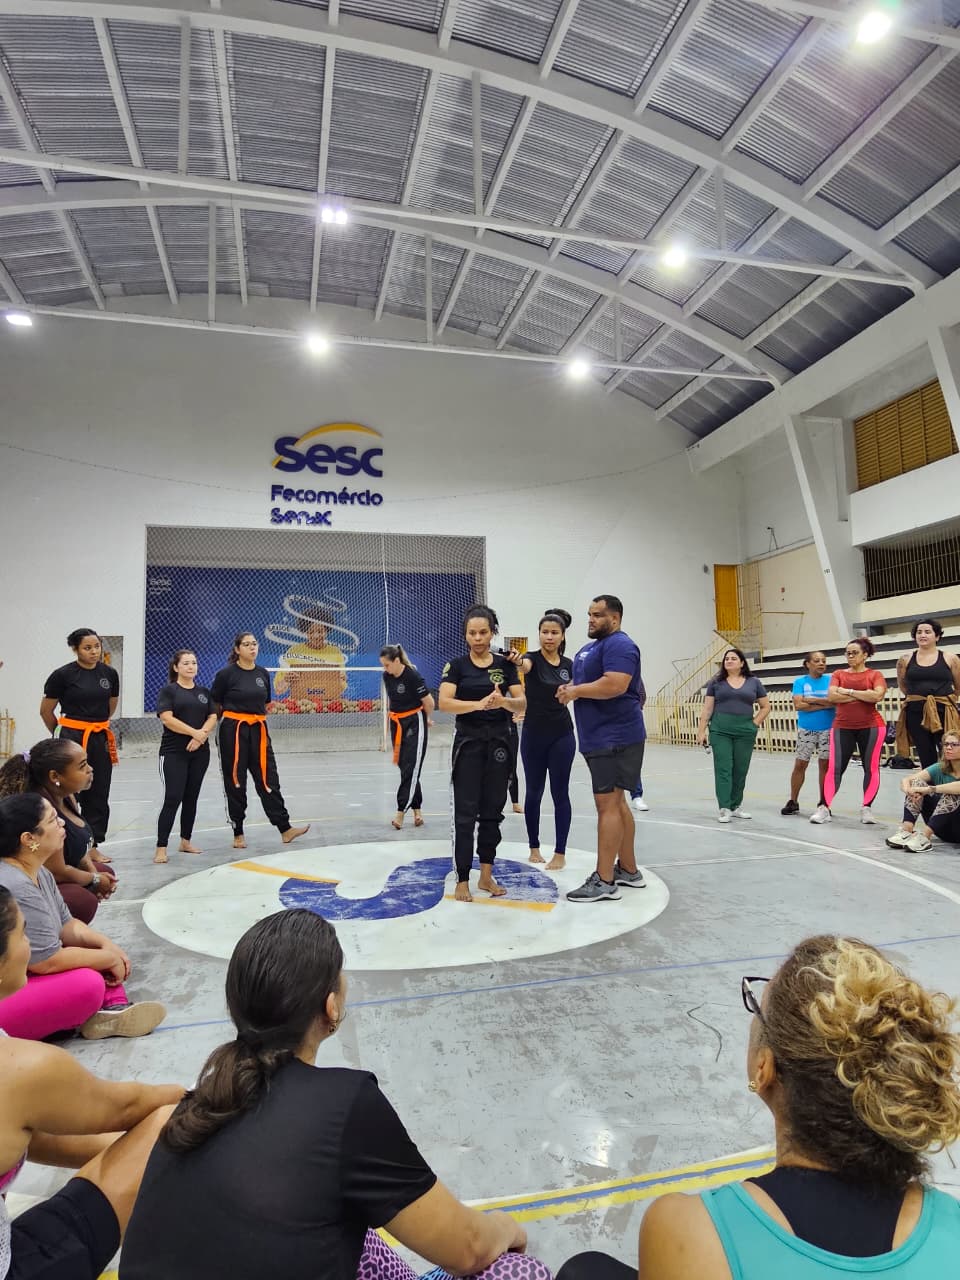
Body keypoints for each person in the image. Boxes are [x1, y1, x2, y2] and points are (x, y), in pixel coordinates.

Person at [119, 909, 549, 1280]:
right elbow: (468, 1249)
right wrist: (507, 1229)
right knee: (519, 1271)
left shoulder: (200, 1103)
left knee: (357, 1231)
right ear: (331, 1007)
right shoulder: (347, 1103)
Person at [558, 935, 960, 1280]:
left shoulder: (690, 1227)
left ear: (763, 1069)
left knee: (584, 1270)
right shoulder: (950, 1223)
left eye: (757, 1006)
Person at [0, 885, 183, 1280]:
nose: (29, 944)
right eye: (23, 933)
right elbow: (128, 1106)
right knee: (168, 1122)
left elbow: (26, 1137)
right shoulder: (22, 1066)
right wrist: (198, 1098)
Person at [0, 795, 165, 1041]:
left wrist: (105, 945)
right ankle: (99, 1009)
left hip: (23, 973)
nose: (61, 824)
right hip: (10, 985)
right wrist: (107, 958)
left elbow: (67, 924)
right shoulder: (15, 883)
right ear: (29, 839)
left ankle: (110, 1008)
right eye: (53, 820)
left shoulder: (39, 871)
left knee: (90, 953)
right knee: (88, 982)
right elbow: (45, 962)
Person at [557, 595, 647, 903]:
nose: (591, 619)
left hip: (616, 737)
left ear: (615, 618)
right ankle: (629, 870)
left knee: (607, 805)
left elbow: (616, 684)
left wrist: (576, 691)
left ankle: (605, 879)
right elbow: (586, 683)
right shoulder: (590, 648)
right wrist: (570, 688)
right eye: (589, 614)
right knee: (617, 804)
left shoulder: (621, 645)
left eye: (597, 615)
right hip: (599, 737)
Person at [438, 606, 525, 902]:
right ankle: (462, 878)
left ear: (492, 633)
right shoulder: (456, 666)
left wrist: (503, 702)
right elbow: (445, 702)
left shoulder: (505, 665)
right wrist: (477, 705)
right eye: (472, 633)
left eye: (483, 632)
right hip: (468, 745)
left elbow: (522, 702)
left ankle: (486, 875)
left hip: (500, 744)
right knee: (465, 815)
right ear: (465, 635)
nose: (478, 638)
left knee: (492, 813)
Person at [210, 632, 310, 851]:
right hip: (233, 731)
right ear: (237, 649)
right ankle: (238, 831)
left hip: (259, 730)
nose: (252, 648)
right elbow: (215, 703)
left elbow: (264, 703)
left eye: (254, 644)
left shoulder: (262, 673)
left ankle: (285, 828)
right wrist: (226, 724)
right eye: (246, 644)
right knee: (236, 780)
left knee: (268, 778)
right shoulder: (226, 674)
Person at [0, 740, 117, 925]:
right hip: (37, 879)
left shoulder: (66, 795)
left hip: (56, 872)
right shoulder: (42, 810)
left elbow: (81, 844)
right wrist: (94, 880)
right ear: (55, 776)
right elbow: (58, 872)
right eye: (82, 766)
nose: (90, 769)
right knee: (82, 900)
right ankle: (51, 931)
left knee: (104, 872)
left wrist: (94, 874)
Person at [40, 628, 119, 852]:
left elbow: (110, 707)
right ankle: (67, 845)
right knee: (69, 791)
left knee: (99, 790)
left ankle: (94, 845)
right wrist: (62, 735)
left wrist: (96, 725)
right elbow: (46, 711)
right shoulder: (62, 675)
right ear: (75, 649)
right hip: (71, 737)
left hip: (99, 736)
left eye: (97, 646)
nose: (94, 652)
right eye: (87, 648)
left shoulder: (109, 674)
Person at [509, 610, 576, 871]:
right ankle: (534, 847)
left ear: (562, 636)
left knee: (560, 793)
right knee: (534, 791)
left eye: (554, 632)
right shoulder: (531, 659)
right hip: (534, 735)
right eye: (545, 632)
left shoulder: (569, 665)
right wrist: (517, 660)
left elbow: (576, 690)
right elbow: (522, 665)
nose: (549, 637)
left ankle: (560, 852)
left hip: (562, 735)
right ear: (539, 634)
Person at [154, 649, 218, 865]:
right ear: (176, 667)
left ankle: (185, 841)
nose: (191, 666)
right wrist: (194, 733)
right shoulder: (169, 691)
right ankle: (161, 847)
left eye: (194, 663)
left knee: (191, 798)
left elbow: (212, 716)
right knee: (173, 797)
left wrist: (201, 737)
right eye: (186, 663)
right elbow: (167, 719)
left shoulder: (203, 692)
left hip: (200, 753)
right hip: (174, 753)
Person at [696, 648, 770, 823]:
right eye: (726, 658)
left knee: (740, 769)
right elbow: (707, 709)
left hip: (745, 731)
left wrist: (754, 724)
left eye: (733, 658)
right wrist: (701, 730)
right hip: (720, 730)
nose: (729, 661)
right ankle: (724, 807)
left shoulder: (754, 682)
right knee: (724, 768)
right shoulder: (716, 682)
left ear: (742, 663)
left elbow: (766, 706)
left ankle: (736, 805)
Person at [825, 637, 887, 824]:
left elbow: (877, 696)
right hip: (842, 726)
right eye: (848, 653)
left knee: (871, 768)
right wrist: (863, 695)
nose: (850, 656)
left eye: (855, 653)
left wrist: (848, 691)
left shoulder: (875, 675)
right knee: (835, 768)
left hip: (872, 726)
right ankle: (824, 807)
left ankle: (867, 808)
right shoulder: (838, 674)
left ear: (865, 655)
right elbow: (832, 697)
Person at [379, 644, 435, 830]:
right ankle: (417, 811)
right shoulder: (387, 676)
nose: (385, 668)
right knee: (406, 768)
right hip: (397, 723)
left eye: (387, 664)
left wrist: (426, 719)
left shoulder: (412, 676)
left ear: (397, 661)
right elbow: (393, 701)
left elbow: (429, 702)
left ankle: (400, 811)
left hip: (414, 722)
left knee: (412, 767)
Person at [894, 618, 960, 768]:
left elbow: (958, 686)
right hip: (915, 712)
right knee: (925, 752)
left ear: (937, 636)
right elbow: (903, 686)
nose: (922, 635)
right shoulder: (905, 659)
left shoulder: (951, 658)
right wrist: (920, 699)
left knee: (949, 751)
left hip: (944, 711)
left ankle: (951, 781)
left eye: (927, 632)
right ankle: (930, 782)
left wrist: (943, 700)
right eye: (919, 632)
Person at [781, 651, 834, 825]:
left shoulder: (831, 680)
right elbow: (799, 705)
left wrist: (811, 700)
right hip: (807, 729)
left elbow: (834, 702)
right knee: (800, 765)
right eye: (817, 661)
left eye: (823, 660)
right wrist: (823, 703)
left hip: (828, 729)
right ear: (808, 664)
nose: (821, 663)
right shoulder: (800, 682)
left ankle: (823, 802)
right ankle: (793, 801)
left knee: (825, 766)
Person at [886, 732, 960, 853]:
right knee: (917, 783)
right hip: (941, 827)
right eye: (946, 744)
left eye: (954, 744)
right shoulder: (940, 768)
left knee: (951, 792)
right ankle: (906, 831)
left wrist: (929, 789)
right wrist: (910, 790)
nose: (948, 747)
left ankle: (925, 837)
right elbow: (907, 780)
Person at [273, 605, 348, 707]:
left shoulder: (335, 652)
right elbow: (278, 690)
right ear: (305, 632)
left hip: (328, 706)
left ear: (327, 630)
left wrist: (340, 680)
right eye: (311, 632)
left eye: (320, 631)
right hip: (300, 706)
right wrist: (286, 680)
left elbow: (342, 687)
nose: (316, 636)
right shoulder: (294, 651)